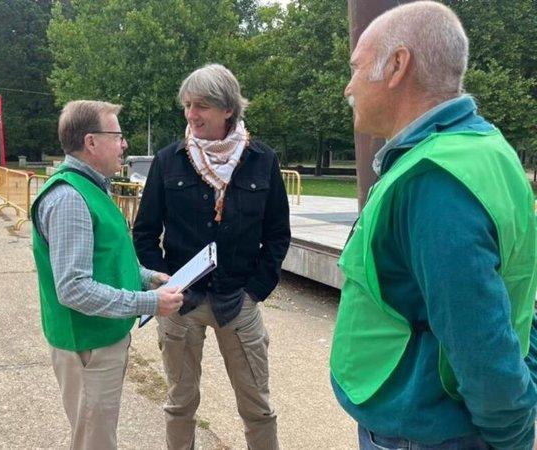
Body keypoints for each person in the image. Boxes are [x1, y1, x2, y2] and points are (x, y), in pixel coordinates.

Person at [331, 2, 537, 449]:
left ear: (397, 66)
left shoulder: (434, 180)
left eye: (356, 68)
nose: (348, 87)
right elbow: (517, 294)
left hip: (422, 429)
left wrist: (514, 434)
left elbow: (480, 341)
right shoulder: (485, 146)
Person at [133, 64, 290, 450]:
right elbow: (145, 232)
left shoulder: (261, 160)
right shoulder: (169, 159)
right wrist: (164, 282)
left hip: (239, 301)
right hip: (181, 304)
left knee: (257, 407)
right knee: (180, 404)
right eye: (187, 105)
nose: (191, 114)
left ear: (228, 110)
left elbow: (277, 234)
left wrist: (255, 291)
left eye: (201, 105)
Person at [31, 100, 184, 449]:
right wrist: (149, 302)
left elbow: (104, 258)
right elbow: (74, 289)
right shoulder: (70, 198)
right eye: (117, 135)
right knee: (93, 441)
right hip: (87, 346)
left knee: (97, 434)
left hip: (98, 342)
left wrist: (145, 277)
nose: (124, 144)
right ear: (91, 142)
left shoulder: (91, 187)